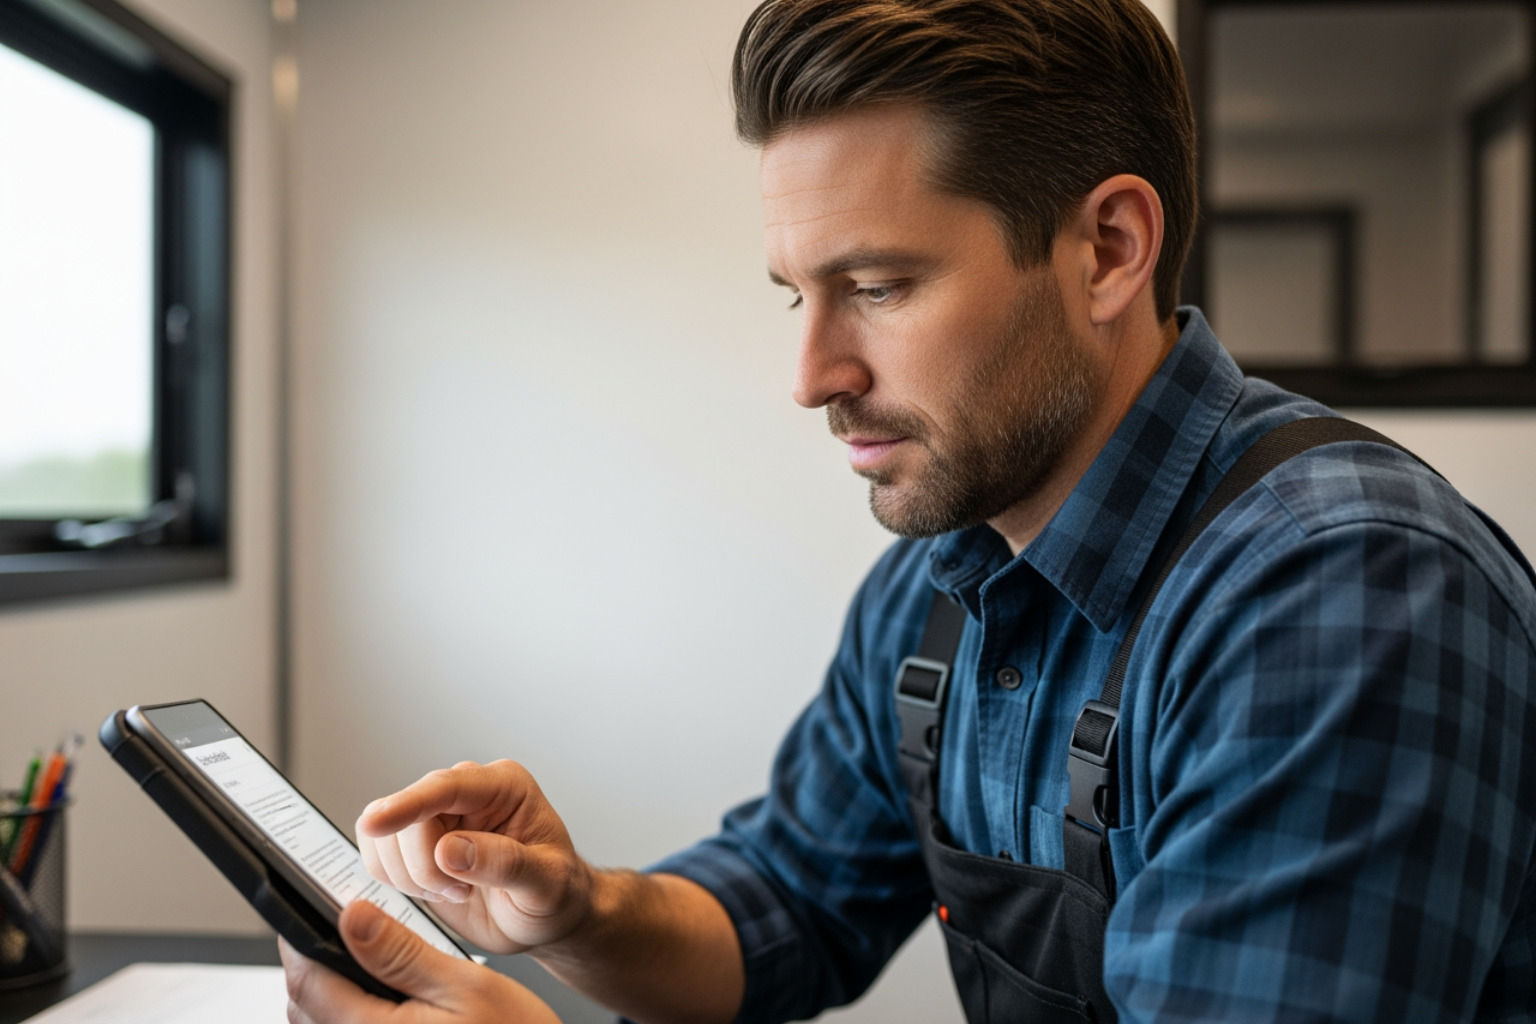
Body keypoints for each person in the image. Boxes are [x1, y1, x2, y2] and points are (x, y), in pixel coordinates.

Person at [281, 0, 1536, 1021]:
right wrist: (575, 913)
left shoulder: (1345, 591)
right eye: (797, 297)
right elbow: (786, 903)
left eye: (877, 285)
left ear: (1107, 248)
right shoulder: (944, 574)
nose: (813, 375)